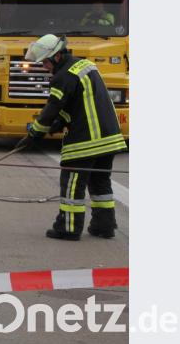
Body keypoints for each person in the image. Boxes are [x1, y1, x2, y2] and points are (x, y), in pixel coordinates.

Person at [16, 34, 127, 241]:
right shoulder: (85, 66)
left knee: (72, 184)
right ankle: (104, 226)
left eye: (45, 63)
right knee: (100, 182)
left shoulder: (63, 76)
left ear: (57, 57)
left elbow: (52, 108)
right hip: (109, 138)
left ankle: (68, 228)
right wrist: (59, 123)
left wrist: (35, 134)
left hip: (86, 141)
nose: (44, 67)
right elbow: (79, 104)